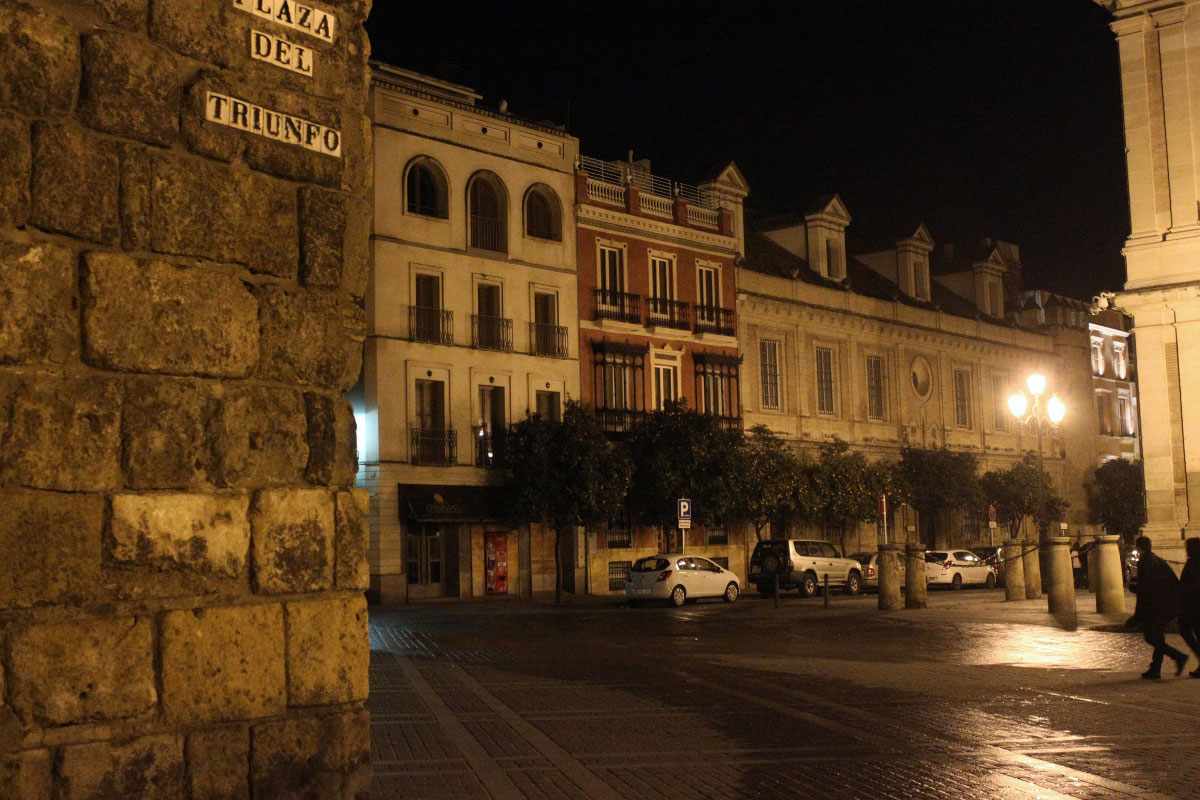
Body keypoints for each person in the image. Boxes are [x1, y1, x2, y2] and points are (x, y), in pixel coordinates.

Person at [1130, 536, 1187, 679]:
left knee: (1151, 636)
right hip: (1165, 604)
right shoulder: (1156, 560)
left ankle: (1178, 656)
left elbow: (1145, 590)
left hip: (1158, 606)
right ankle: (1155, 668)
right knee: (1158, 636)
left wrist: (1137, 614)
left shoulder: (1145, 562)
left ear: (1139, 548)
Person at [1180, 537, 1200, 678]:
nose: (1186, 550)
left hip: (1193, 606)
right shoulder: (1193, 562)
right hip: (1192, 605)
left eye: (1188, 548)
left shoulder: (1193, 564)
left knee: (1186, 630)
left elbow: (1189, 586)